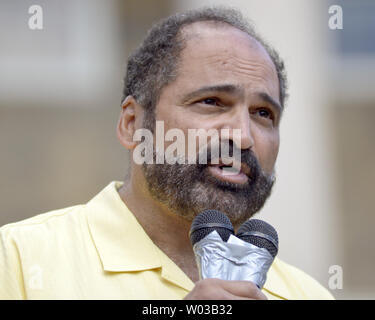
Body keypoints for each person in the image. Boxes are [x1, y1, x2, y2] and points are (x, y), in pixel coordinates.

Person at [0, 6, 334, 300]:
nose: (243, 136)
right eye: (212, 102)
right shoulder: (18, 261)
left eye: (263, 113)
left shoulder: (308, 295)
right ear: (133, 124)